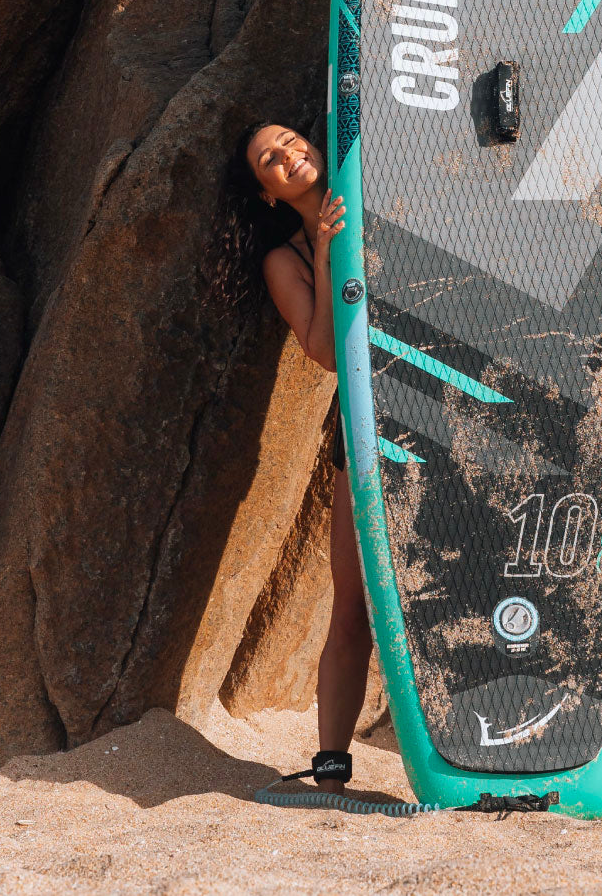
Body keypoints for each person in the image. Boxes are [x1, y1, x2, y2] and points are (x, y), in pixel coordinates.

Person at [217, 120, 370, 793]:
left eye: (289, 140)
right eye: (269, 160)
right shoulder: (285, 257)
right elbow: (326, 352)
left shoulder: (375, 188)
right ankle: (332, 768)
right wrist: (331, 252)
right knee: (354, 606)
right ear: (267, 191)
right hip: (366, 417)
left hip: (447, 395)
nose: (287, 155)